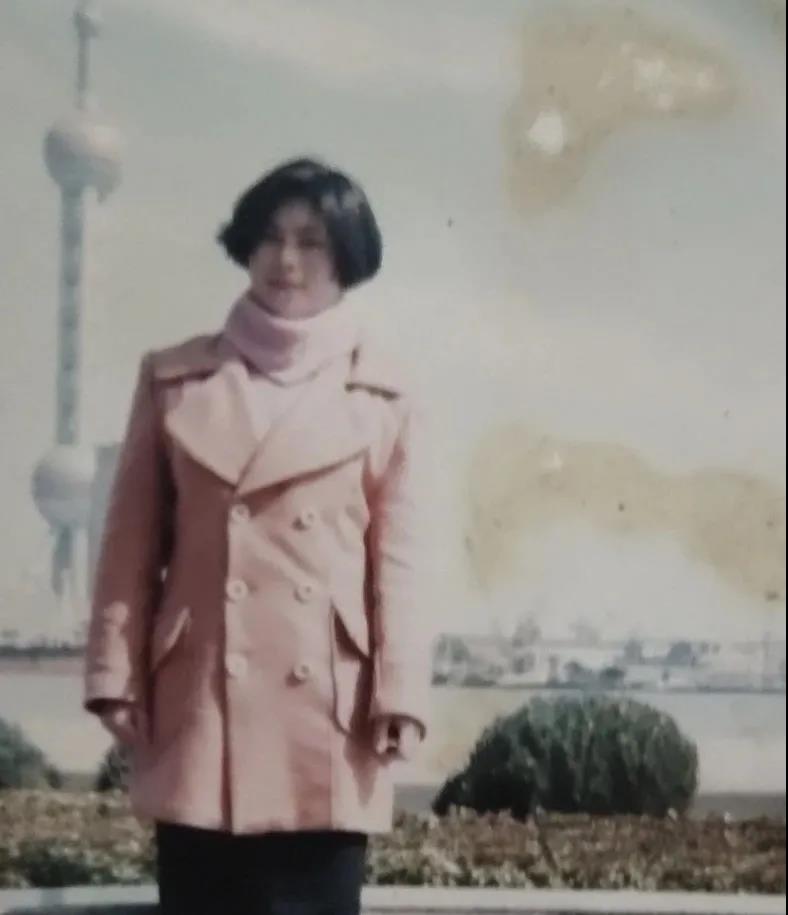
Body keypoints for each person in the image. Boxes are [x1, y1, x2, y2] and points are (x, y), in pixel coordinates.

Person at [83, 157, 435, 915]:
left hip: (329, 718)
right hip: (201, 706)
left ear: (347, 256)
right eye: (270, 237)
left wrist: (401, 691)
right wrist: (114, 673)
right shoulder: (173, 380)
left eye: (312, 241)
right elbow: (129, 546)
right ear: (245, 246)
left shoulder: (386, 395)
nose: (286, 259)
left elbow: (399, 562)